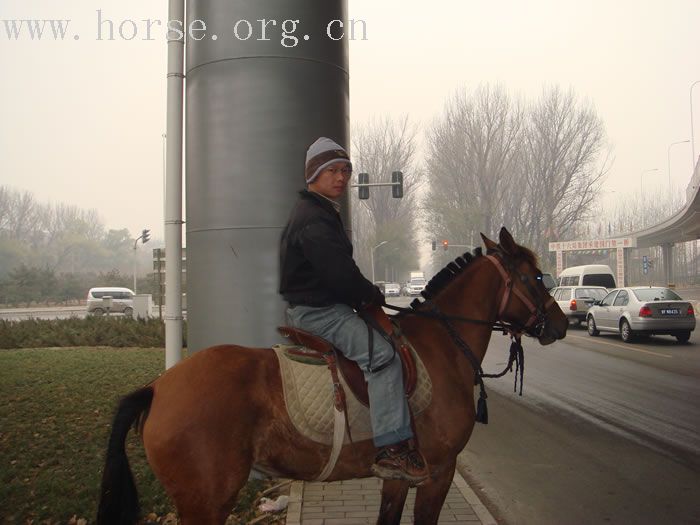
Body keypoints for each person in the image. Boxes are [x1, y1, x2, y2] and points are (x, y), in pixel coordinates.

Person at [279, 137, 428, 485]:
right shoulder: (314, 218)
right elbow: (340, 275)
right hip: (320, 313)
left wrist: (365, 295)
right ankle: (391, 451)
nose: (341, 177)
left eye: (345, 170)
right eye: (332, 170)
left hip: (324, 307)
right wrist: (369, 295)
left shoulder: (318, 211)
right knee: (384, 358)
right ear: (313, 174)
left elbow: (340, 273)